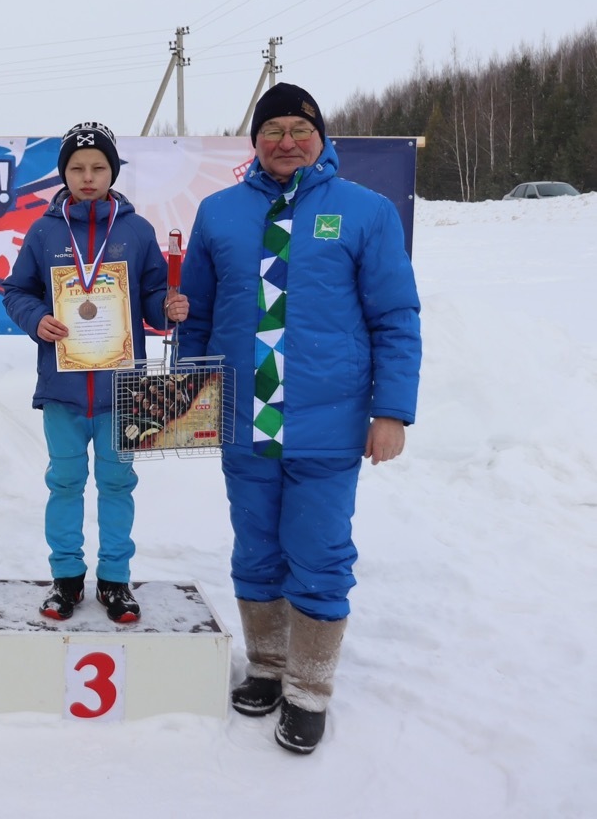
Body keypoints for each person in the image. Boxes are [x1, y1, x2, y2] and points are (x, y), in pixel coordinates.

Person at [179, 82, 421, 754]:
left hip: (328, 424)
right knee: (256, 547)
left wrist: (391, 412)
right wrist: (189, 399)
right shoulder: (219, 212)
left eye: (299, 129)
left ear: (321, 137)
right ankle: (267, 666)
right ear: (255, 141)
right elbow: (197, 315)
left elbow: (395, 317)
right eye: (272, 130)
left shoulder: (366, 212)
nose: (286, 141)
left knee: (318, 551)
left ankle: (309, 686)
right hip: (243, 418)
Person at [2, 122, 188, 624]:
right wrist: (35, 319)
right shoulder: (44, 231)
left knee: (117, 484)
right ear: (63, 174)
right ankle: (66, 577)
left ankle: (115, 580)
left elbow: (153, 295)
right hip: (62, 390)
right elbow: (17, 291)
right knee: (64, 483)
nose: (88, 177)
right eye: (77, 168)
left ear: (112, 173)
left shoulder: (136, 231)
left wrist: (166, 306)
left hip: (122, 392)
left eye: (98, 168)